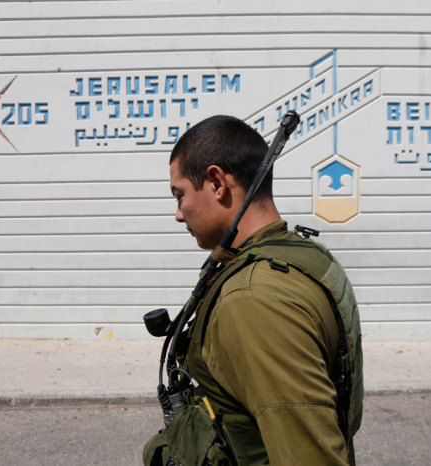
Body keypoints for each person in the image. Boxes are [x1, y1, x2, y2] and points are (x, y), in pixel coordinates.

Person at [144, 115, 363, 466]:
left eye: (179, 195)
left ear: (216, 182)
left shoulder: (256, 297)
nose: (178, 214)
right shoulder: (305, 256)